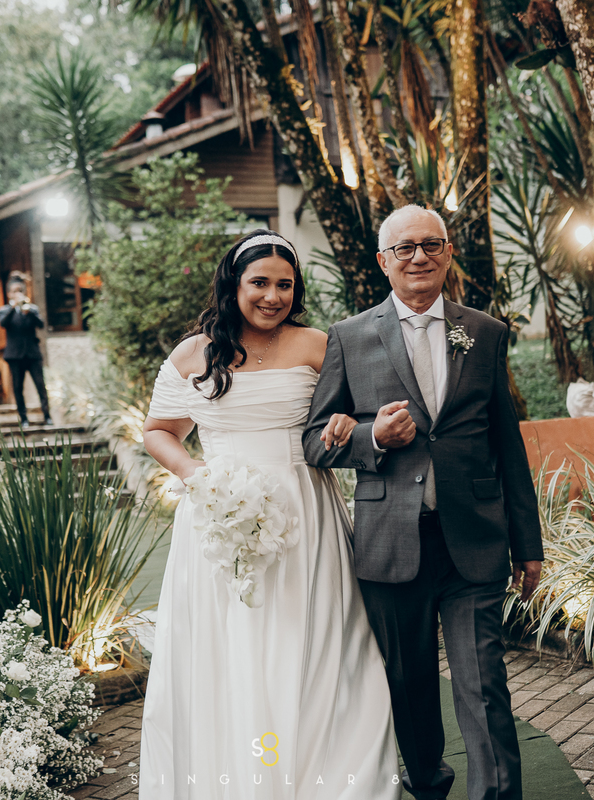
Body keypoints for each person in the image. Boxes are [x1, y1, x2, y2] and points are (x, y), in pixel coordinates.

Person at [138, 230, 400, 796]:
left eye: (285, 284)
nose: (272, 296)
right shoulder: (192, 353)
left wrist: (347, 430)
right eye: (259, 282)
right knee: (230, 645)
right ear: (233, 283)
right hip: (216, 518)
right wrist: (198, 477)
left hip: (307, 509)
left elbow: (351, 421)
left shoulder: (318, 344)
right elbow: (159, 431)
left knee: (319, 636)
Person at [305, 205, 543, 800]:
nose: (419, 257)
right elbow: (314, 441)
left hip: (475, 539)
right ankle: (429, 783)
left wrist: (528, 543)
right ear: (384, 261)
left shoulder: (483, 331)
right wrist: (371, 438)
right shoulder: (349, 336)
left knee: (484, 683)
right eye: (405, 248)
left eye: (431, 244)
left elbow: (506, 444)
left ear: (448, 253)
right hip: (391, 543)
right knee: (408, 683)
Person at [0, 272, 53, 429]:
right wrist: (14, 307)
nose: (18, 293)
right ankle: (23, 419)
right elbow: (3, 323)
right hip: (15, 356)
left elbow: (41, 325)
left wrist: (29, 312)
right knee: (17, 388)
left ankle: (47, 415)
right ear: (9, 293)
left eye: (20, 290)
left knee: (40, 386)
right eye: (15, 291)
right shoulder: (4, 310)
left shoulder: (32, 308)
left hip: (32, 354)